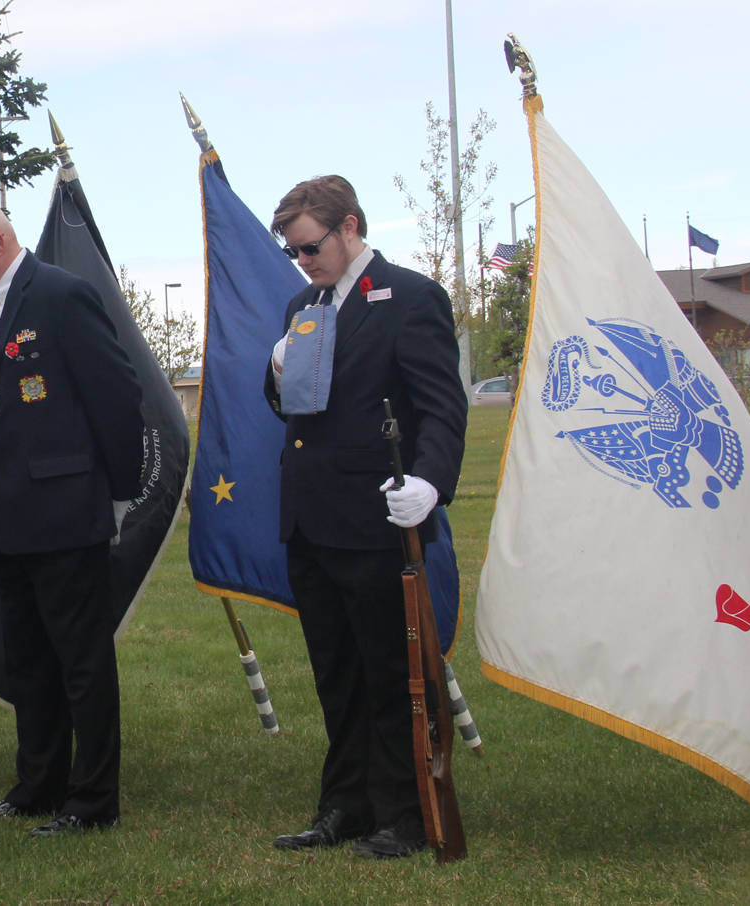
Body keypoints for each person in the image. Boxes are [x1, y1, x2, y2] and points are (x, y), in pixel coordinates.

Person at [262, 176, 467, 859]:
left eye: (310, 247)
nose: (303, 262)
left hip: (379, 520)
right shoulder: (304, 304)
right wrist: (276, 370)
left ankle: (405, 813)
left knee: (392, 673)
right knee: (337, 673)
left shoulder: (408, 298)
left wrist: (433, 482)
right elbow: (297, 407)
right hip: (314, 520)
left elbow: (441, 405)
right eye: (294, 252)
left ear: (350, 226)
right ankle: (344, 805)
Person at [0, 197, 144, 838]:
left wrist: (119, 491)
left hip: (65, 509)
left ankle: (92, 799)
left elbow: (116, 395)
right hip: (2, 509)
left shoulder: (60, 295)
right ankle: (37, 784)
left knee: (80, 660)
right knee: (27, 659)